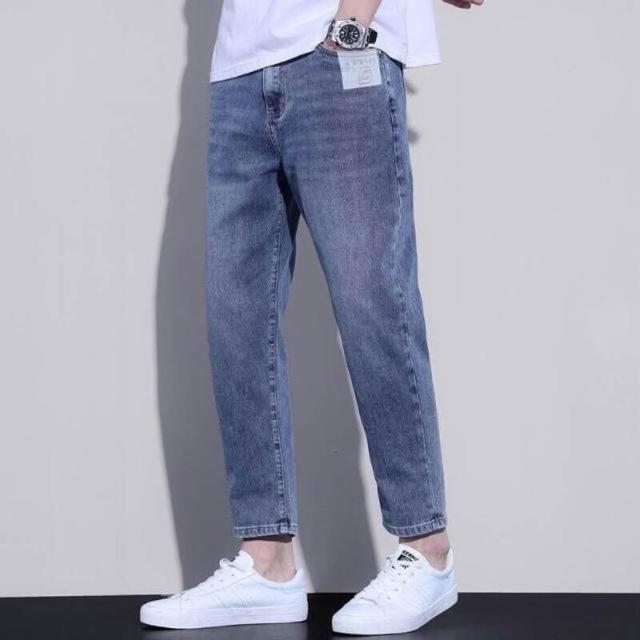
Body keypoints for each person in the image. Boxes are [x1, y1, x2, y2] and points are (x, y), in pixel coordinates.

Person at [141, 0, 483, 635]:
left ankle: (427, 551)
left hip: (341, 54)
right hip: (239, 69)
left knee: (373, 303)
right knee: (237, 316)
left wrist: (353, 25)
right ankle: (267, 562)